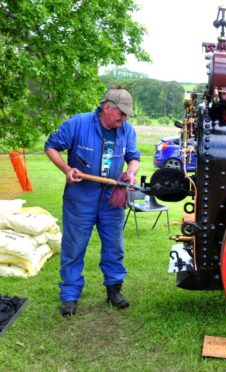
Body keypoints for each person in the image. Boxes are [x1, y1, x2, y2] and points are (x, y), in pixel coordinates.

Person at [45, 87, 140, 317]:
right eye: (121, 114)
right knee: (74, 247)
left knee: (114, 246)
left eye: (127, 115)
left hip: (111, 198)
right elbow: (51, 147)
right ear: (107, 108)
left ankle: (114, 289)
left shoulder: (126, 130)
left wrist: (131, 172)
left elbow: (134, 157)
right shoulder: (78, 123)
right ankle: (69, 296)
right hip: (81, 198)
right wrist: (67, 169)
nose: (124, 119)